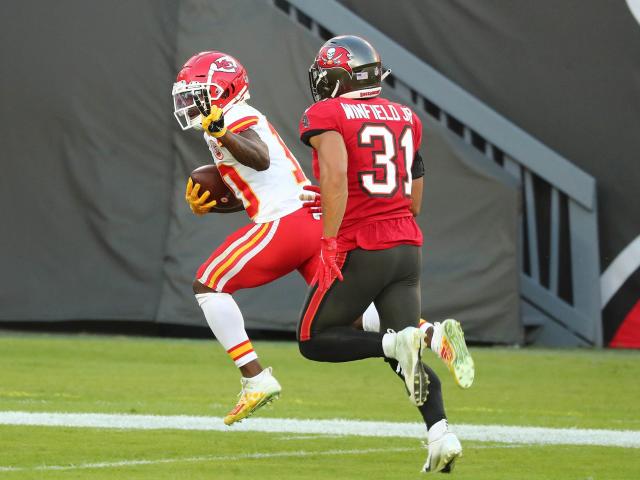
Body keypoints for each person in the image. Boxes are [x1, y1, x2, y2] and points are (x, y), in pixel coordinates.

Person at [297, 35, 475, 473]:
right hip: (406, 246)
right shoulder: (404, 116)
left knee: (314, 340)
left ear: (341, 76)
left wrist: (330, 240)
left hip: (363, 245)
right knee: (403, 356)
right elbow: (413, 197)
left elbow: (338, 175)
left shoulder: (326, 113)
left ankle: (402, 340)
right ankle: (441, 433)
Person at [171, 51, 379, 426]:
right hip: (306, 219)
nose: (188, 101)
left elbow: (260, 158)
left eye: (197, 93)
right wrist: (211, 205)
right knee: (352, 316)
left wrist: (221, 132)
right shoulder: (225, 122)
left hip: (286, 223)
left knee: (209, 284)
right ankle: (426, 333)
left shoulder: (233, 116)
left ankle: (254, 378)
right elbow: (254, 185)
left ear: (222, 91)